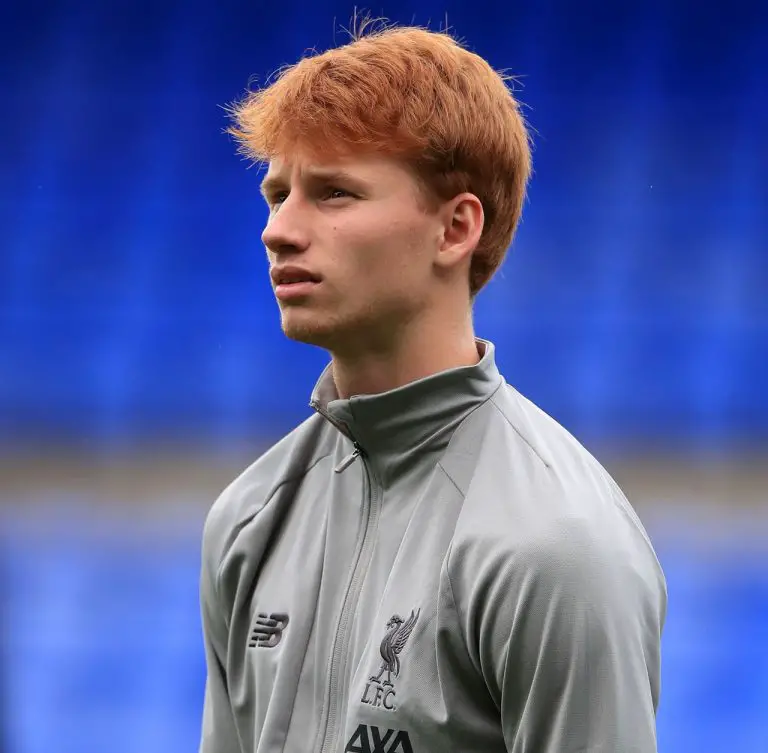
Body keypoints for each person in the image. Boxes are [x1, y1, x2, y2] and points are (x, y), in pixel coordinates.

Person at [199, 22, 667, 753]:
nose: (278, 230)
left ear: (455, 229)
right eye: (277, 194)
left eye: (334, 193)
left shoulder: (559, 546)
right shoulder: (248, 518)